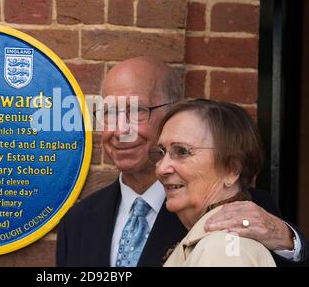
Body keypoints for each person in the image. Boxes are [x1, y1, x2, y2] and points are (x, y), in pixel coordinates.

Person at [56, 57, 308, 267]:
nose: (121, 130)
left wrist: (287, 239)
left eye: (136, 111)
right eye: (110, 113)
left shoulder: (242, 212)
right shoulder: (77, 221)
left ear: (174, 113)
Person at [156, 99, 275, 266]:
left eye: (182, 151)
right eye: (162, 153)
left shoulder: (223, 249)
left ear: (231, 169)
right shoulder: (215, 244)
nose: (162, 168)